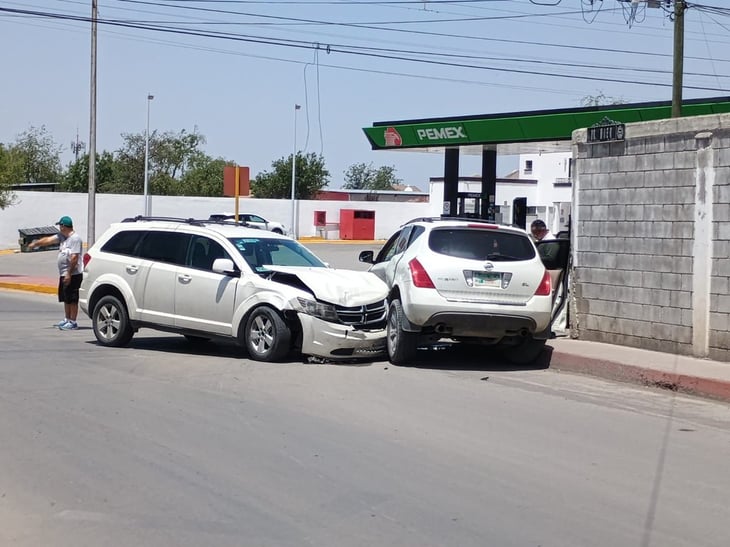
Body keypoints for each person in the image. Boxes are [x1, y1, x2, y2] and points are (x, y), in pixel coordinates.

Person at [27, 216, 84, 330]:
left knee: (72, 299)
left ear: (63, 226)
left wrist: (69, 273)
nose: (59, 227)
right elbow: (48, 240)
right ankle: (67, 319)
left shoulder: (75, 239)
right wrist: (35, 244)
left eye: (60, 225)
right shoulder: (62, 237)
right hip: (64, 273)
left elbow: (74, 258)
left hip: (74, 274)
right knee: (66, 297)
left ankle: (73, 322)